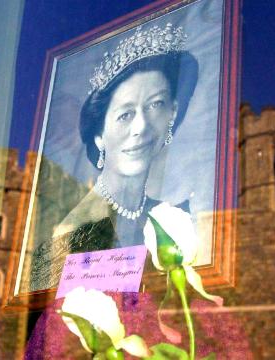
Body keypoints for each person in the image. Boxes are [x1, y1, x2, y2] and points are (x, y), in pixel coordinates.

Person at [29, 23, 198, 291]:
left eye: (155, 105)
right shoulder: (72, 233)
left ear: (172, 113)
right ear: (99, 135)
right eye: (125, 114)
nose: (141, 127)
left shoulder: (173, 218)